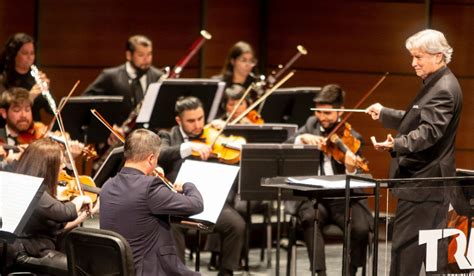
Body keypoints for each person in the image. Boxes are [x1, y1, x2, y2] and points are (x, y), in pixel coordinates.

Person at [366, 29, 463, 275]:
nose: (413, 63)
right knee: (431, 257)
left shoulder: (442, 88)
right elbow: (418, 118)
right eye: (412, 56)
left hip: (424, 185)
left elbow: (429, 133)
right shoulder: (438, 82)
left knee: (406, 253)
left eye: (418, 57)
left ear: (438, 56)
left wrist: (395, 144)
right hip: (428, 186)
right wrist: (385, 113)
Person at [286, 84, 372, 276]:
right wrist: (303, 139)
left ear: (340, 110)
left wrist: (350, 166)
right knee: (310, 218)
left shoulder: (353, 137)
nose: (322, 118)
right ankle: (320, 273)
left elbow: (355, 174)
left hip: (343, 197)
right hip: (315, 195)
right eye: (319, 112)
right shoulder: (311, 125)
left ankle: (350, 271)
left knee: (361, 228)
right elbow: (287, 144)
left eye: (328, 113)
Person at [158, 96, 245, 276]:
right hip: (178, 203)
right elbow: (161, 153)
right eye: (191, 121)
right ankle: (178, 272)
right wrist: (188, 147)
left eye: (200, 119)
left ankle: (226, 273)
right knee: (172, 226)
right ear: (178, 120)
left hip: (207, 200)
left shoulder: (212, 136)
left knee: (236, 224)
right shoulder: (167, 136)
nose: (197, 125)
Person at [99, 128, 203, 276]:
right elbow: (196, 204)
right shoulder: (150, 188)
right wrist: (187, 186)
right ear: (151, 159)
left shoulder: (107, 186)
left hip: (117, 270)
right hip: (149, 270)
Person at [7, 138, 96, 273]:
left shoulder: (29, 184)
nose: (64, 166)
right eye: (60, 163)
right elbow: (64, 212)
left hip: (32, 247)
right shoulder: (31, 189)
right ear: (49, 166)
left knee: (85, 263)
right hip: (23, 251)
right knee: (78, 269)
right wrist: (80, 199)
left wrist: (87, 213)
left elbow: (57, 227)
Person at [82, 34, 163, 125]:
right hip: (117, 134)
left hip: (149, 135)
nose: (147, 59)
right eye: (141, 55)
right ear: (129, 55)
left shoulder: (158, 76)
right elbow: (85, 101)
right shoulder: (110, 76)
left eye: (149, 54)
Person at [0, 32, 55, 123]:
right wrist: (30, 96)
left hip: (35, 131)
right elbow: (5, 112)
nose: (30, 58)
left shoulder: (36, 78)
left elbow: (52, 111)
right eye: (25, 53)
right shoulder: (3, 80)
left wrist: (47, 90)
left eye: (32, 53)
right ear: (14, 55)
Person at [214, 41, 261, 116]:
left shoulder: (254, 86)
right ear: (233, 61)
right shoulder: (219, 83)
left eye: (251, 61)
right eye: (244, 60)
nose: (248, 65)